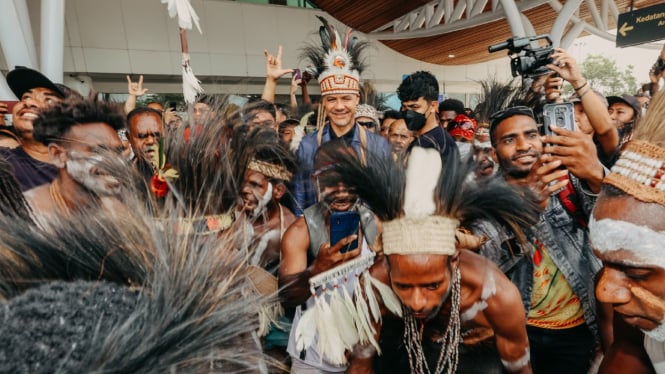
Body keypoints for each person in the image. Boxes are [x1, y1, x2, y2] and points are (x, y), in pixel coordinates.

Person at [321, 144, 540, 373]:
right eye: (403, 286)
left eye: (432, 285)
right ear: (387, 265)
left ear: (453, 262)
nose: (417, 302)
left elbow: (520, 369)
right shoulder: (374, 287)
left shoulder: (495, 297)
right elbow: (360, 367)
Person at [472, 104, 606, 373]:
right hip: (517, 328)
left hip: (576, 327)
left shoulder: (566, 177)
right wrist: (526, 211)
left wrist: (597, 177)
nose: (524, 145)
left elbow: (607, 227)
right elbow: (483, 266)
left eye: (531, 135)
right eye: (510, 140)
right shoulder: (482, 199)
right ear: (495, 153)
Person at [280, 140, 381, 373]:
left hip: (361, 353)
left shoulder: (376, 225)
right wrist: (317, 270)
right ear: (316, 181)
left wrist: (364, 352)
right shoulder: (300, 232)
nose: (342, 191)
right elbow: (287, 298)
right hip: (311, 357)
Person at [592, 90, 665, 373]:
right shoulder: (639, 316)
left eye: (636, 273)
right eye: (604, 263)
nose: (605, 292)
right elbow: (628, 349)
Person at [292, 17, 390, 216]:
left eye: (346, 98)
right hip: (319, 239)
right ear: (323, 103)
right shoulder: (309, 145)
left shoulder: (377, 146)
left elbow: (385, 197)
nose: (339, 106)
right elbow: (300, 200)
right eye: (331, 99)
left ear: (356, 100)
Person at [23, 97, 128, 217]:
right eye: (98, 151)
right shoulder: (27, 212)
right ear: (58, 155)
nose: (115, 162)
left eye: (118, 152)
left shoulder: (120, 211)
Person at [0, 66, 66, 191]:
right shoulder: (4, 161)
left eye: (49, 100)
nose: (29, 103)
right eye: (26, 97)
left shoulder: (87, 169)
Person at [397, 71, 458, 159]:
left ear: (433, 106)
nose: (407, 113)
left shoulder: (435, 144)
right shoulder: (424, 139)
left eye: (414, 107)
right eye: (404, 107)